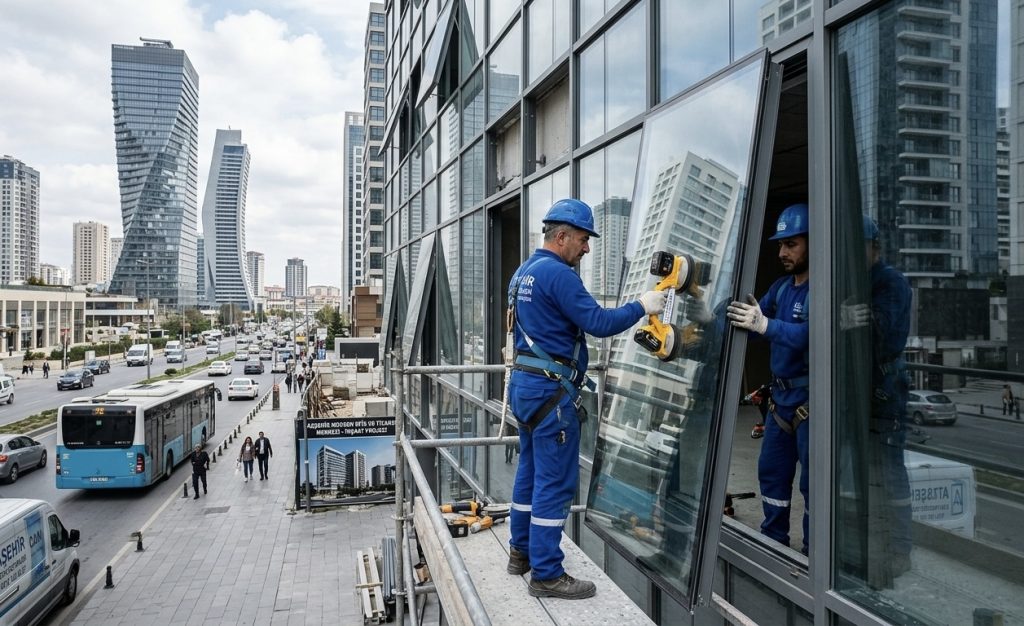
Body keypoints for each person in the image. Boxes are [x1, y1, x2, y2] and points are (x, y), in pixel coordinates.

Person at [505, 198, 667, 600]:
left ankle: (520, 552)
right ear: (561, 237)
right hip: (550, 393)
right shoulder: (559, 275)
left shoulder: (523, 273)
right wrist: (642, 306)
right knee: (555, 484)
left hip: (526, 389)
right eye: (582, 239)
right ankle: (546, 573)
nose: (587, 248)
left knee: (529, 472)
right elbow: (597, 322)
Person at [727, 203, 811, 554]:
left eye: (791, 244)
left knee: (813, 485)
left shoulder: (822, 288)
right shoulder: (780, 287)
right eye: (781, 245)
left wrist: (765, 325)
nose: (783, 252)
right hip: (781, 402)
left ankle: (814, 555)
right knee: (772, 475)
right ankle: (774, 542)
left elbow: (809, 335)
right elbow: (752, 320)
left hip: (810, 403)